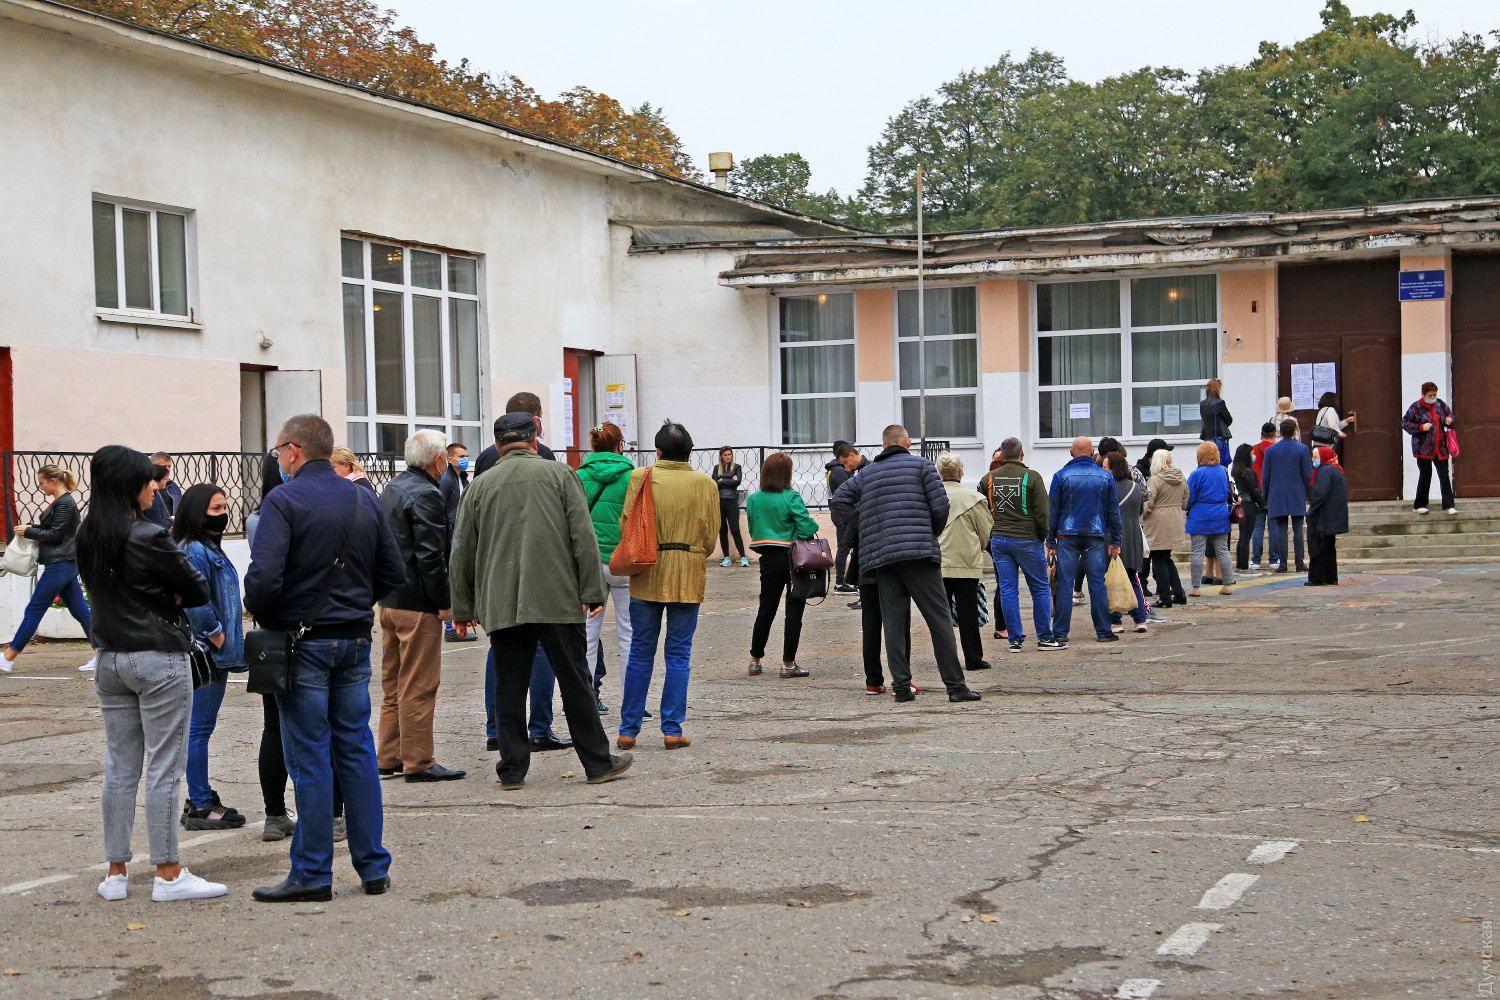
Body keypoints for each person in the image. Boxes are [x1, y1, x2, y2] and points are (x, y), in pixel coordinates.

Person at [244, 414, 404, 903]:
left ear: (294, 450)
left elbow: (264, 579)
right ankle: (372, 866)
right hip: (354, 638)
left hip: (302, 642)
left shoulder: (284, 499)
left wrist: (268, 611)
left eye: (277, 452)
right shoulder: (362, 498)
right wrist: (354, 606)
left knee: (310, 756)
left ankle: (313, 872)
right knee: (354, 751)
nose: (278, 460)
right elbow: (393, 571)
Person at [450, 412, 632, 789]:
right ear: (535, 440)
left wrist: (462, 609)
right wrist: (591, 591)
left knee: (509, 686)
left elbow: (462, 551)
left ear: (499, 444)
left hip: (502, 601)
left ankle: (513, 769)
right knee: (575, 681)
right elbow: (583, 538)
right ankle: (598, 763)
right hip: (558, 598)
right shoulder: (560, 475)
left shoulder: (480, 486)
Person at [76, 446, 226, 903]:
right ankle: (167, 872)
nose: (155, 487)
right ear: (129, 485)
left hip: (110, 658)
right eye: (149, 480)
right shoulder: (148, 534)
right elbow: (197, 589)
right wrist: (169, 599)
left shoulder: (89, 535)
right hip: (158, 657)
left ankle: (116, 871)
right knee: (164, 765)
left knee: (120, 765)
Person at [830, 424, 981, 703]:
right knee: (939, 620)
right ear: (907, 442)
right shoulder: (923, 467)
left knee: (895, 623)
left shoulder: (867, 474)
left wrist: (866, 522)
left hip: (883, 557)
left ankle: (901, 686)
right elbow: (940, 506)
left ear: (884, 445)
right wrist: (930, 531)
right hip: (920, 555)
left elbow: (839, 500)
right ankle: (956, 687)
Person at [474, 392, 572, 755]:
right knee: (543, 650)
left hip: (495, 566)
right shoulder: (543, 457)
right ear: (535, 420)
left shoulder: (486, 458)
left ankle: (496, 727)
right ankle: (540, 727)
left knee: (499, 651)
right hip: (539, 568)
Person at [617, 422, 720, 747]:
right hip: (688, 571)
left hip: (647, 567)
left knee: (640, 651)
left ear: (658, 451)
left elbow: (626, 524)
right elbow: (711, 534)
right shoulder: (705, 483)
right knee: (679, 653)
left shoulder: (641, 477)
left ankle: (628, 729)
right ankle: (672, 729)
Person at [377, 430, 464, 783]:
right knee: (419, 683)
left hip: (390, 599)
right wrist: (444, 604)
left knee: (394, 681)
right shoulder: (427, 494)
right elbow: (431, 556)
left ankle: (389, 754)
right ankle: (419, 760)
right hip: (417, 602)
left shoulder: (393, 488)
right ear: (437, 460)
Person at [173, 484, 247, 831]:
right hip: (205, 653)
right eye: (216, 510)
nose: (223, 515)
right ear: (197, 512)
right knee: (199, 729)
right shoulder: (194, 550)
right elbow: (195, 599)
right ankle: (201, 803)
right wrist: (216, 634)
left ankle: (200, 796)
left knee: (199, 728)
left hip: (214, 653)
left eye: (224, 508)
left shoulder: (206, 547)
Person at [2, 464, 93, 672]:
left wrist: (29, 532)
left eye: (42, 482)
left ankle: (9, 656)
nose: (41, 487)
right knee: (81, 611)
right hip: (64, 562)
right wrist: (31, 528)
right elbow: (52, 529)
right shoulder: (61, 502)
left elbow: (56, 535)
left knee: (34, 608)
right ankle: (104, 653)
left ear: (53, 481)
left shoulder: (64, 503)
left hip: (61, 563)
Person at [976, 437, 1058, 652]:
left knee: (1007, 589)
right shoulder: (1032, 478)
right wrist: (1041, 536)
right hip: (1027, 538)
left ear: (1001, 455)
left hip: (999, 540)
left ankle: (1014, 639)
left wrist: (989, 538)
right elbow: (1043, 513)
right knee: (1040, 588)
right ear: (1022, 454)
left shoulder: (988, 479)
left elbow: (981, 510)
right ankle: (1045, 638)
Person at [575, 421, 635, 712]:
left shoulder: (579, 476)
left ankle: (585, 698)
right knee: (627, 631)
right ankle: (632, 701)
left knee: (587, 634)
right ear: (619, 444)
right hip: (622, 561)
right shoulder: (633, 477)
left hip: (588, 564)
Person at [746, 452, 820, 678]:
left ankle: (755, 660)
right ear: (786, 474)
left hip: (767, 558)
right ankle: (788, 664)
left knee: (766, 607)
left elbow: (752, 528)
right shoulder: (791, 497)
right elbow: (807, 528)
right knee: (794, 608)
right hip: (793, 558)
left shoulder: (753, 498)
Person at [1045, 437, 1123, 645]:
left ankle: (1060, 632)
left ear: (1071, 453)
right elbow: (1113, 512)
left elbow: (1052, 511)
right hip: (1096, 534)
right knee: (1097, 583)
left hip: (1066, 534)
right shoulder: (1105, 477)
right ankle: (1103, 631)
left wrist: (1050, 541)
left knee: (1065, 584)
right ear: (1092, 453)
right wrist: (1115, 540)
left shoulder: (1061, 476)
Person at [935, 453, 992, 671]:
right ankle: (973, 658)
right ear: (961, 472)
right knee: (968, 612)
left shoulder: (932, 497)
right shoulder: (974, 499)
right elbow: (985, 532)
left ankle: (946, 660)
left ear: (940, 473)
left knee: (941, 615)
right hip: (966, 562)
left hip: (938, 563)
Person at [1107, 453, 1153, 631]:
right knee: (1133, 578)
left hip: (1113, 537)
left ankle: (1116, 621)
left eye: (1106, 467)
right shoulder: (1135, 487)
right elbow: (1140, 511)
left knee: (1111, 580)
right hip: (1134, 536)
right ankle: (1140, 619)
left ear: (1113, 468)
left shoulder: (1108, 488)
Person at [1262, 420, 1314, 573]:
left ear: (1280, 432)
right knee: (1298, 528)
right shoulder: (1302, 449)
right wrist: (1310, 495)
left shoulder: (1271, 451)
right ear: (1294, 432)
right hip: (1297, 492)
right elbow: (1307, 474)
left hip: (1277, 493)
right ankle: (1299, 562)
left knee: (1281, 529)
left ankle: (1283, 563)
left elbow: (1266, 477)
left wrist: (1265, 496)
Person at [1185, 441, 1236, 597]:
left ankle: (1196, 587)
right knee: (1223, 550)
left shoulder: (1196, 474)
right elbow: (1228, 492)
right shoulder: (1223, 471)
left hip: (1200, 515)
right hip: (1220, 514)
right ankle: (1227, 584)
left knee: (1197, 552)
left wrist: (1187, 508)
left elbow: (1189, 496)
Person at [439, 442, 476, 643]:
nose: (465, 459)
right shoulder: (447, 480)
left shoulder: (461, 478)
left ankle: (456, 623)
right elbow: (441, 508)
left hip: (460, 532)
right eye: (461, 456)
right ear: (449, 457)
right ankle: (450, 627)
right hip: (452, 534)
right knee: (453, 579)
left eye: (467, 455)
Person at [1402, 382, 1457, 515]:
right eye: (1429, 395)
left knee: (1444, 475)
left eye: (1434, 395)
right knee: (1426, 475)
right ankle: (1419, 504)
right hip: (1423, 448)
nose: (1432, 397)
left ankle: (1449, 505)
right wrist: (1420, 427)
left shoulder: (1440, 405)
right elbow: (1405, 423)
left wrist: (1449, 420)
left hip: (1440, 447)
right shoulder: (1416, 407)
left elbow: (1451, 417)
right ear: (1423, 394)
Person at [1143, 448, 1188, 608]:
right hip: (1175, 518)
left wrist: (1141, 515)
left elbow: (1148, 503)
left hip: (1157, 521)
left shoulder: (1155, 479)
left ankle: (1164, 596)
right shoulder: (1180, 476)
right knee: (1167, 557)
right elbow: (1185, 500)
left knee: (1158, 558)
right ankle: (1179, 592)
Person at [1306, 446, 1349, 586]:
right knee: (1329, 547)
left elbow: (1320, 494)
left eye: (1316, 457)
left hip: (1323, 517)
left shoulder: (1325, 471)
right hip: (1332, 516)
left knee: (1318, 546)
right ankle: (1330, 576)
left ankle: (1318, 577)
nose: (1313, 459)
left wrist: (1311, 511)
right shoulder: (1335, 469)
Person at [827, 443, 866, 593]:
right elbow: (849, 493)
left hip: (840, 513)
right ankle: (840, 582)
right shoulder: (838, 471)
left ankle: (846, 581)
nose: (848, 468)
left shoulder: (833, 470)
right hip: (844, 515)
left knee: (845, 547)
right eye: (844, 463)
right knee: (844, 547)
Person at [1230, 444, 1266, 573]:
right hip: (1249, 505)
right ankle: (1244, 566)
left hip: (1242, 504)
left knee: (1242, 536)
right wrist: (1263, 503)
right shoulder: (1248, 472)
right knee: (1246, 537)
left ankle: (1240, 565)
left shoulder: (1236, 471)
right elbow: (1254, 491)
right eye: (1252, 454)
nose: (1254, 456)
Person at [711, 447, 749, 568]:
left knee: (735, 530)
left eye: (730, 454)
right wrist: (729, 479)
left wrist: (722, 479)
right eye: (725, 454)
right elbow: (714, 483)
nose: (728, 456)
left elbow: (737, 482)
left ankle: (743, 557)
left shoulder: (737, 467)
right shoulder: (717, 468)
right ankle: (726, 558)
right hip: (720, 502)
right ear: (721, 456)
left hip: (732, 501)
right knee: (722, 530)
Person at [1249, 422, 1277, 570]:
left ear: (1261, 434)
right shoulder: (1276, 450)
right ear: (1275, 435)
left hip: (1257, 491)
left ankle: (1256, 560)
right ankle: (1274, 559)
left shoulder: (1254, 449)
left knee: (1258, 527)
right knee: (1274, 526)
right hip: (1273, 491)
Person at [1199, 378, 1233, 466]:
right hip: (1219, 439)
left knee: (1207, 463)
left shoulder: (1202, 404)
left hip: (1207, 439)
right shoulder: (1220, 403)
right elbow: (1229, 420)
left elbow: (1204, 419)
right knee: (1221, 464)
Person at [146, 452, 183, 525]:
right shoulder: (147, 490)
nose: (167, 470)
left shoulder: (173, 485)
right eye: (163, 467)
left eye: (169, 466)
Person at [142, 463, 173, 527]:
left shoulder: (158, 493)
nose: (167, 481)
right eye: (164, 479)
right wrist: (172, 520)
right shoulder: (153, 497)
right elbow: (158, 523)